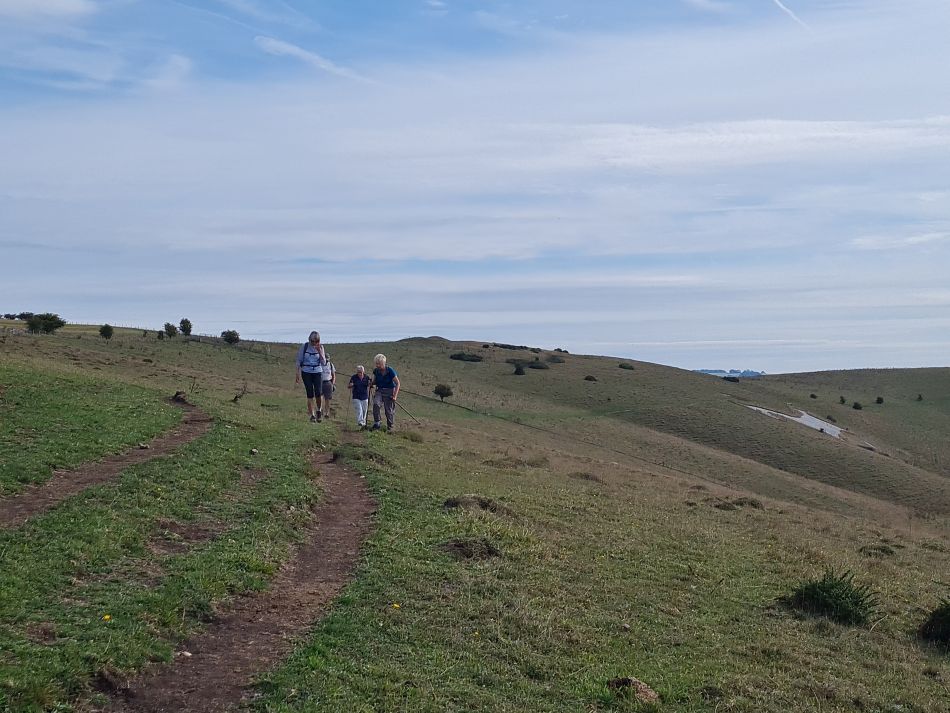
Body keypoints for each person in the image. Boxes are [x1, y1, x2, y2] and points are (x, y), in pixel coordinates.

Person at [295, 331, 325, 422]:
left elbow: (323, 362)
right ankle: (312, 415)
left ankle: (319, 410)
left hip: (317, 372)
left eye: (316, 341)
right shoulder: (304, 347)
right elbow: (299, 360)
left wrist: (319, 352)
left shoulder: (321, 347)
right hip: (306, 372)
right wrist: (297, 373)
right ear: (309, 340)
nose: (314, 343)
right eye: (313, 341)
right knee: (310, 393)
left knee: (318, 393)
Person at [370, 353, 399, 431]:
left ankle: (390, 426)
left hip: (389, 391)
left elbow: (397, 383)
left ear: (384, 363)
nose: (377, 365)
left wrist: (395, 396)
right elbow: (375, 381)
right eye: (376, 364)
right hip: (379, 390)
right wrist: (371, 383)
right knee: (376, 404)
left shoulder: (390, 370)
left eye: (379, 364)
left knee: (388, 410)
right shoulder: (376, 371)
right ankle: (377, 423)